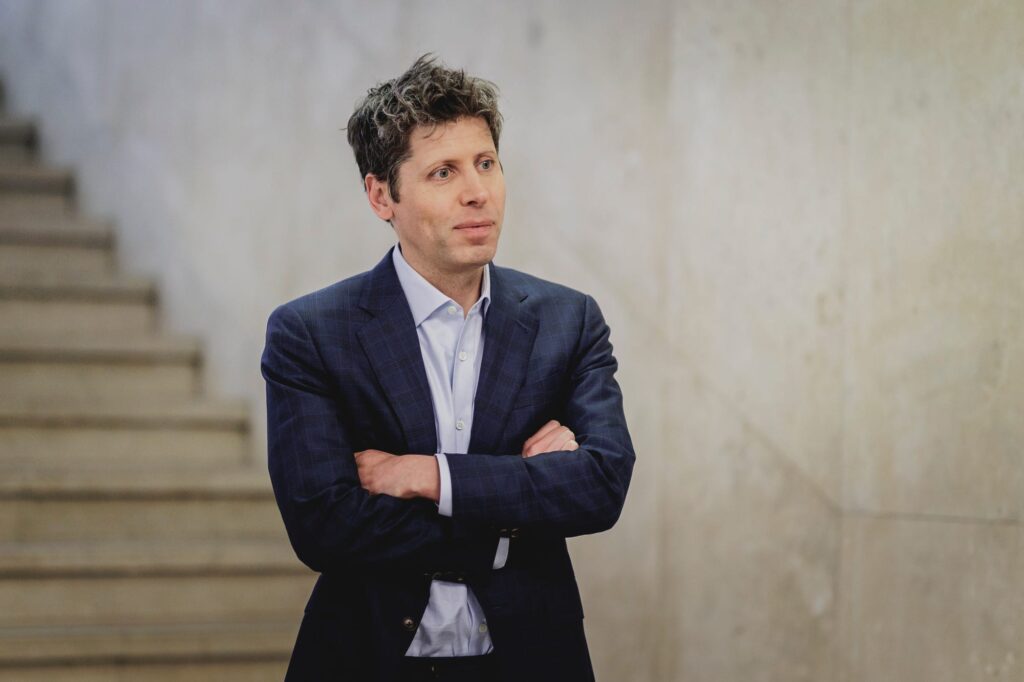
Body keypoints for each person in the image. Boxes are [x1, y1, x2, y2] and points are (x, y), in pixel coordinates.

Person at [261, 54, 635, 682]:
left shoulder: (568, 320)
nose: (477, 192)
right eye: (443, 172)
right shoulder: (313, 333)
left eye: (486, 163)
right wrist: (512, 512)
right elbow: (325, 526)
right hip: (367, 660)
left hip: (533, 662)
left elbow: (601, 485)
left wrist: (429, 476)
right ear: (382, 196)